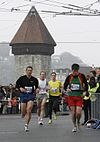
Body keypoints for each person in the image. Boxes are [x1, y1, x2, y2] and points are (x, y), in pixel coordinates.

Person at [64, 63, 88, 132]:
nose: (74, 73)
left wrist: (85, 91)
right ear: (72, 70)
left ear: (78, 71)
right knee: (73, 113)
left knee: (78, 112)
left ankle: (78, 121)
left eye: (76, 71)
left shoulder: (82, 76)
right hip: (71, 96)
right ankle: (74, 125)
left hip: (79, 96)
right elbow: (65, 85)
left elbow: (86, 84)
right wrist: (67, 89)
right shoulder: (69, 76)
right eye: (73, 71)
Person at [16, 66, 38, 132]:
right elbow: (17, 85)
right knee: (23, 112)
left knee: (29, 109)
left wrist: (36, 90)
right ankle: (23, 114)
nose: (29, 72)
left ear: (32, 71)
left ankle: (26, 125)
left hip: (30, 95)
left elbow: (36, 87)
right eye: (28, 70)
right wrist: (20, 88)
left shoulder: (34, 79)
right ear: (26, 71)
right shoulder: (22, 78)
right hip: (23, 95)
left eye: (30, 70)